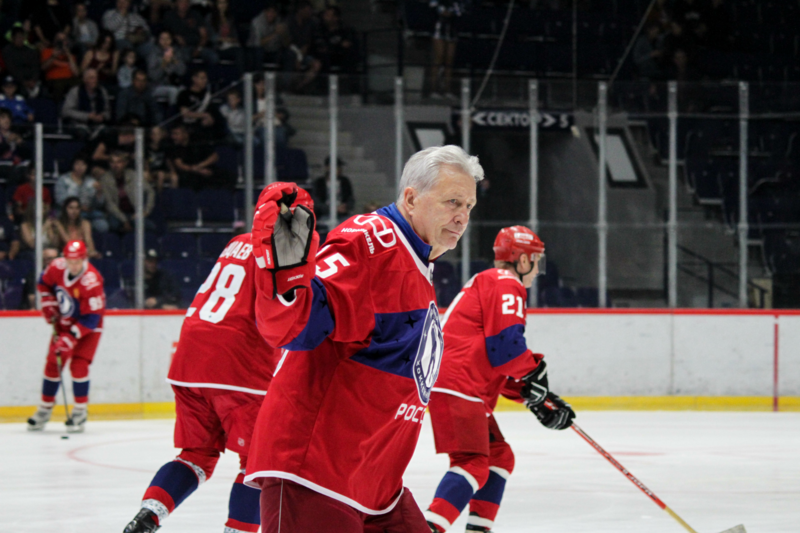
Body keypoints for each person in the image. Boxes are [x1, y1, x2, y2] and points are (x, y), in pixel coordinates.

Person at [244, 145, 483, 531]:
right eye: (452, 201)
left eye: (469, 207)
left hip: (375, 485)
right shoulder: (374, 241)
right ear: (410, 198)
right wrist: (287, 287)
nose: (462, 217)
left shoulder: (417, 259)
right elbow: (298, 325)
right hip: (317, 474)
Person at [121, 191, 313, 532]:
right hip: (238, 365)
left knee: (195, 455)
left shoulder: (238, 241)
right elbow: (292, 308)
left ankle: (147, 516)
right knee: (257, 464)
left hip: (189, 357)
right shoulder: (288, 247)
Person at [423, 226, 576, 533]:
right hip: (459, 385)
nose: (536, 270)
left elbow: (496, 359)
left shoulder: (491, 282)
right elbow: (506, 349)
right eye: (535, 260)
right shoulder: (506, 283)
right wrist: (535, 375)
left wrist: (534, 396)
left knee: (498, 457)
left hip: (458, 383)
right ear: (521, 261)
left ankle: (477, 530)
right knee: (472, 463)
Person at [27, 240, 105, 433]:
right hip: (64, 322)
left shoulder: (91, 280)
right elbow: (43, 283)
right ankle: (44, 409)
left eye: (77, 261)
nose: (73, 265)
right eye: (70, 260)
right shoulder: (56, 266)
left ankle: (79, 411)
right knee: (53, 361)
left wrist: (70, 336)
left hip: (89, 329)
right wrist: (48, 302)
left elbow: (92, 318)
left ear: (84, 259)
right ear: (64, 258)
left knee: (79, 366)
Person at [100, 151, 156, 232]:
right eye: (112, 162)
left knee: (150, 227)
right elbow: (109, 204)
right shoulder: (105, 179)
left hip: (134, 213)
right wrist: (124, 220)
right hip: (116, 214)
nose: (115, 165)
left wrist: (146, 211)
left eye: (119, 162)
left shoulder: (133, 175)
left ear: (124, 163)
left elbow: (150, 192)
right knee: (113, 226)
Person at [54, 155, 105, 229]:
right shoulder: (63, 180)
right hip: (69, 213)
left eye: (83, 164)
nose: (80, 167)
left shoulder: (91, 181)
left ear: (87, 166)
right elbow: (60, 200)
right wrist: (80, 207)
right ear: (73, 165)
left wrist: (99, 192)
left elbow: (98, 204)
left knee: (102, 225)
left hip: (89, 213)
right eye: (77, 164)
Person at [428, 0, 466, 99]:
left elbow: (460, 12)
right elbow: (434, 8)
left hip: (452, 31)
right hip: (439, 29)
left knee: (449, 61)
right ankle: (433, 89)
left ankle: (447, 89)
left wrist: (453, 11)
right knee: (438, 58)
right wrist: (444, 11)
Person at [166, 123, 221, 190]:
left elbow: (215, 157)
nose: (173, 137)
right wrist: (197, 170)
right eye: (172, 134)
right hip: (189, 172)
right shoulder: (174, 146)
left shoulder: (198, 141)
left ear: (185, 134)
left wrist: (200, 166)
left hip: (203, 168)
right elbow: (180, 165)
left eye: (176, 134)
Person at [163, 0, 218, 65]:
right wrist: (175, 37)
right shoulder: (170, 15)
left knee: (213, 57)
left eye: (186, 2)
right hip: (179, 47)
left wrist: (199, 49)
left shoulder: (195, 14)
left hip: (197, 45)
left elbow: (204, 35)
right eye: (181, 2)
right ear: (176, 3)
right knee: (184, 57)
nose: (184, 5)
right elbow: (164, 33)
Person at [62, 68, 111, 139]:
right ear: (85, 80)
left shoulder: (102, 91)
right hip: (78, 124)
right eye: (92, 78)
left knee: (108, 133)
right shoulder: (75, 91)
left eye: (96, 78)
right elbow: (66, 111)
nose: (95, 80)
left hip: (97, 125)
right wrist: (87, 116)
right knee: (82, 133)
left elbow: (108, 112)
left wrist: (102, 116)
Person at [285, 0, 321, 92]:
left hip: (303, 54)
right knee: (290, 59)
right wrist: (297, 57)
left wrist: (300, 58)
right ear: (300, 10)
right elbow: (287, 42)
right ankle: (287, 87)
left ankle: (299, 86)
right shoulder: (289, 21)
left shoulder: (311, 23)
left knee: (316, 65)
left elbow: (307, 43)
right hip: (289, 52)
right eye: (308, 10)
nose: (310, 13)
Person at [177, 69, 222, 141]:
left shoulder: (207, 96)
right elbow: (185, 113)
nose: (205, 81)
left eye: (205, 78)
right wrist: (204, 115)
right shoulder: (184, 94)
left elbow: (212, 114)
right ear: (194, 79)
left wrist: (210, 120)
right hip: (188, 126)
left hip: (203, 129)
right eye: (202, 78)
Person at [147, 30, 187, 106]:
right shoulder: (153, 53)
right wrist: (164, 63)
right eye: (162, 39)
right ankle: (173, 115)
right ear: (158, 40)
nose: (165, 41)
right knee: (173, 91)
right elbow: (153, 76)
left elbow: (182, 71)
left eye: (167, 39)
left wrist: (174, 59)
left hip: (173, 84)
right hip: (156, 86)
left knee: (184, 91)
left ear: (171, 40)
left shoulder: (176, 52)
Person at [40, 31, 80, 102]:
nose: (61, 42)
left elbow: (76, 73)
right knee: (59, 85)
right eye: (59, 39)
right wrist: (53, 57)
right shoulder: (47, 51)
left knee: (81, 82)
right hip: (54, 80)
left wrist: (69, 55)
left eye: (63, 39)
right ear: (55, 41)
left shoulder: (71, 55)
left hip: (69, 79)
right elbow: (43, 68)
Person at [317, 6, 358, 75]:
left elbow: (347, 44)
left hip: (341, 55)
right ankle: (324, 83)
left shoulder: (345, 29)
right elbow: (321, 45)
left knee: (349, 54)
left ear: (336, 18)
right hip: (327, 56)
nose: (324, 17)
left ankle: (348, 82)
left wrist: (334, 46)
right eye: (324, 15)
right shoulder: (320, 29)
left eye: (327, 15)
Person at [311, 156, 354, 221]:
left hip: (342, 215)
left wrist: (346, 206)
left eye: (340, 167)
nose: (339, 169)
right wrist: (332, 209)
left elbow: (350, 198)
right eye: (337, 167)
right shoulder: (319, 182)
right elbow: (316, 202)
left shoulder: (345, 181)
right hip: (324, 214)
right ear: (328, 168)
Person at [247, 2, 288, 68]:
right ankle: (259, 77)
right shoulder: (257, 22)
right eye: (269, 12)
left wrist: (284, 34)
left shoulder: (280, 21)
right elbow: (259, 43)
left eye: (273, 12)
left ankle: (286, 77)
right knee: (258, 52)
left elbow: (287, 44)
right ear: (265, 12)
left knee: (289, 54)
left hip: (274, 51)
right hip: (257, 50)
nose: (271, 14)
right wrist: (275, 33)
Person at [20, 245, 59, 309]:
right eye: (49, 258)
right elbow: (32, 299)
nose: (53, 261)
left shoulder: (63, 273)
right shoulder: (35, 274)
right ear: (43, 260)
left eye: (55, 258)